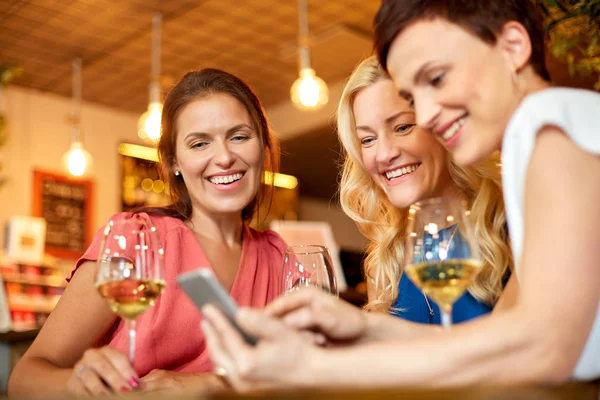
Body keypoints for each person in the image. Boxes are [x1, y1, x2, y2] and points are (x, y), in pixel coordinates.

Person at [200, 0, 600, 390]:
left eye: (437, 78)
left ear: (513, 47)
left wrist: (313, 366)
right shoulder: (539, 140)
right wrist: (367, 326)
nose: (426, 115)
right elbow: (501, 336)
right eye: (413, 96)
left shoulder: (549, 127)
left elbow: (546, 349)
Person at [8, 68, 287, 397]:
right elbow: (24, 379)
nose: (224, 157)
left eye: (239, 136)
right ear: (174, 163)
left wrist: (211, 385)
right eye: (199, 143)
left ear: (263, 146)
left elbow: (301, 377)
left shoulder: (280, 258)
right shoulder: (135, 239)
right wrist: (80, 384)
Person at [338, 56, 512, 325]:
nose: (384, 154)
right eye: (368, 139)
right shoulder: (384, 262)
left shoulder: (507, 225)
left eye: (403, 127)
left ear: (443, 126)